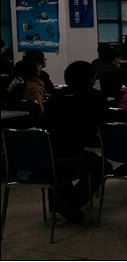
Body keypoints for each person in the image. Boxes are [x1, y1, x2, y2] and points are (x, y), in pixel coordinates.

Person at [41, 60, 112, 223]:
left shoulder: (55, 97)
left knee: (68, 166)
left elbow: (43, 123)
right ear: (91, 79)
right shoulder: (96, 97)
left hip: (45, 156)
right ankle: (70, 204)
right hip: (71, 154)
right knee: (103, 166)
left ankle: (61, 200)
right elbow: (102, 125)